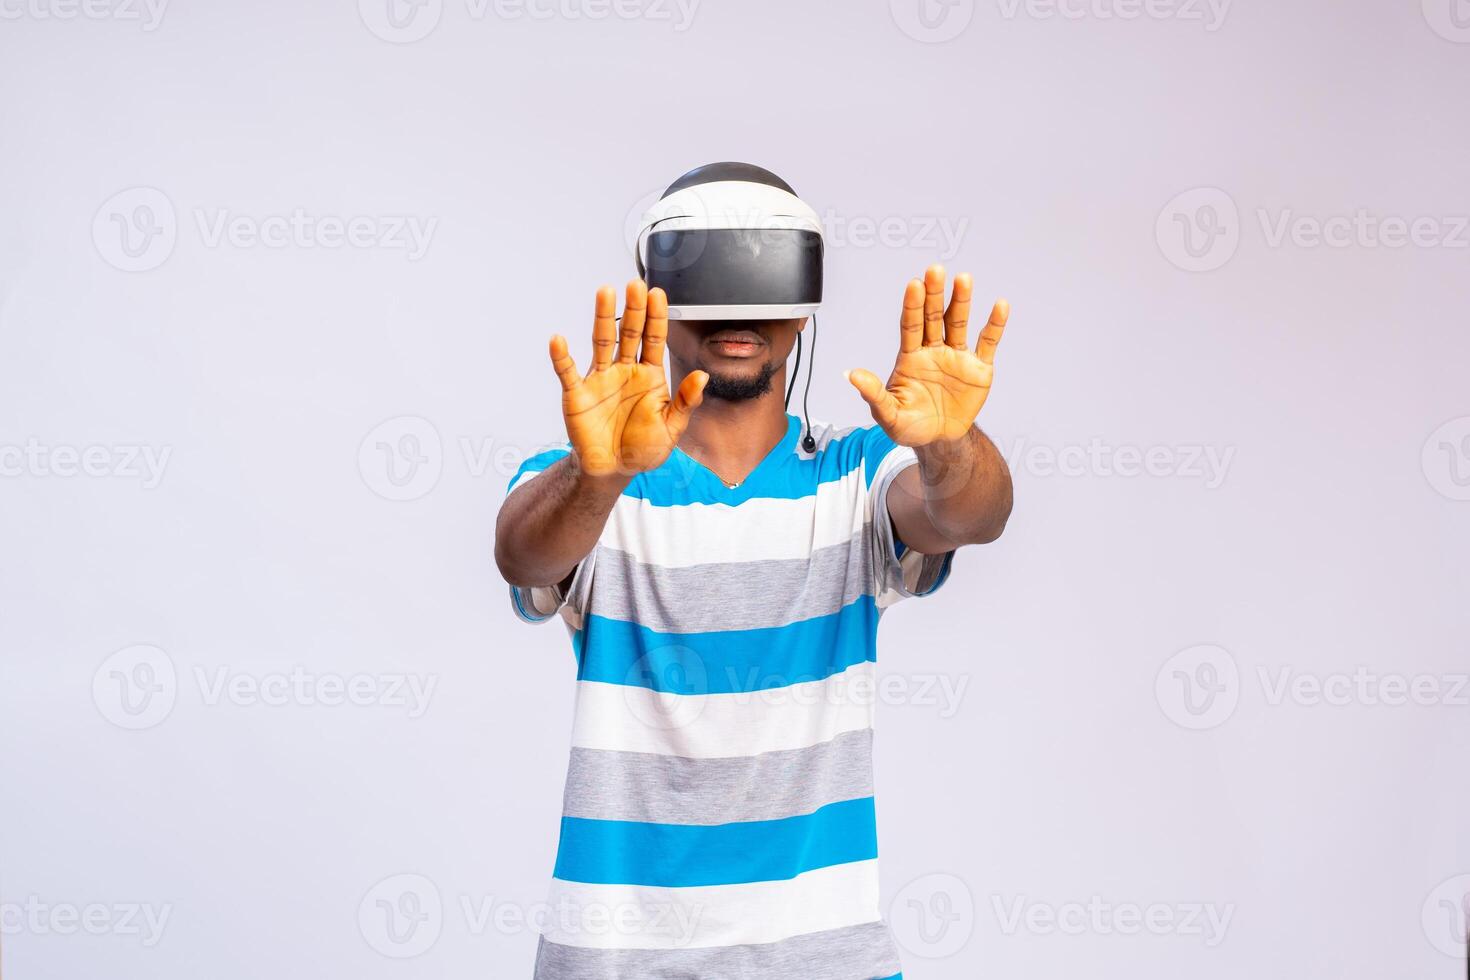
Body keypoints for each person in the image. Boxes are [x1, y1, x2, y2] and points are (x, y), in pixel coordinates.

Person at [494, 164, 1013, 980]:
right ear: (657, 297)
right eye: (708, 275)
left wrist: (946, 444)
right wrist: (599, 476)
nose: (739, 311)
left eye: (762, 274)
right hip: (615, 959)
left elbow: (968, 515)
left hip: (824, 959)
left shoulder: (854, 474)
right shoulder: (590, 481)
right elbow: (524, 554)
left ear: (804, 304)